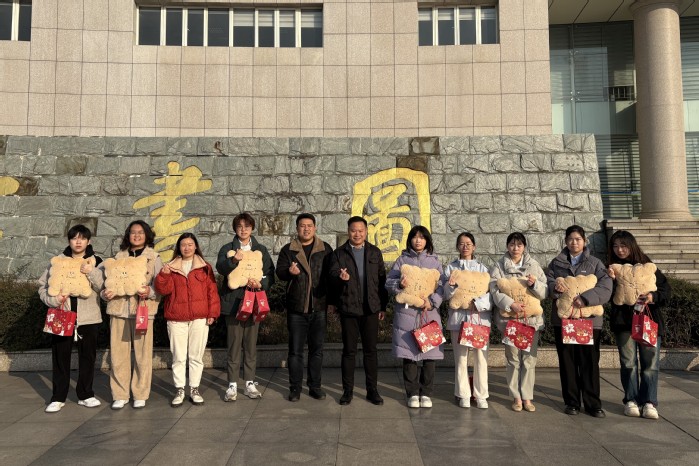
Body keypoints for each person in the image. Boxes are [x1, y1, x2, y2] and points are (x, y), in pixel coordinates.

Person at [547, 225, 612, 418]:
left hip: (589, 321)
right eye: (570, 239)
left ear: (585, 241)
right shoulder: (556, 263)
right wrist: (556, 288)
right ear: (565, 241)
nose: (574, 243)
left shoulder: (595, 263)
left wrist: (585, 299)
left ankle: (593, 404)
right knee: (567, 362)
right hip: (564, 321)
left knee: (589, 362)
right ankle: (572, 402)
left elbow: (606, 286)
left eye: (578, 239)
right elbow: (548, 282)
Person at [38, 225, 104, 413]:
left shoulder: (97, 261)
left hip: (88, 318)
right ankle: (58, 397)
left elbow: (105, 288)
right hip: (62, 315)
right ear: (69, 241)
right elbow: (42, 286)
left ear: (89, 241)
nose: (78, 241)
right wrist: (53, 300)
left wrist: (91, 271)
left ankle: (86, 394)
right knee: (60, 357)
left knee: (88, 357)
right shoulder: (57, 261)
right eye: (74, 238)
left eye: (82, 238)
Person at [607, 230, 671, 419]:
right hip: (624, 323)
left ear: (632, 245)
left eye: (623, 245)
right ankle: (631, 400)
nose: (619, 250)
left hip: (649, 321)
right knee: (628, 363)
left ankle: (649, 402)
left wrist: (653, 296)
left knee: (650, 363)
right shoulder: (611, 268)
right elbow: (606, 296)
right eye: (615, 246)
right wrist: (610, 280)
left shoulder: (647, 265)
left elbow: (666, 290)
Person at [327, 216, 388, 406]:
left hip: (370, 309)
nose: (357, 234)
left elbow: (382, 281)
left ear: (366, 231)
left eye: (361, 230)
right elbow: (331, 278)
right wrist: (340, 278)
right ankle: (347, 391)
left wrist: (383, 306)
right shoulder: (339, 253)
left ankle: (372, 390)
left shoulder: (375, 252)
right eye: (353, 230)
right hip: (349, 308)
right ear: (348, 232)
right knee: (349, 352)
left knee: (371, 351)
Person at [155, 233, 220, 407]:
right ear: (179, 247)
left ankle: (194, 389)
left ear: (195, 246)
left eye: (190, 244)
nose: (187, 248)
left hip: (199, 317)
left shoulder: (205, 267)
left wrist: (212, 313)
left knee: (196, 356)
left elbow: (212, 292)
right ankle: (179, 389)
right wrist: (164, 275)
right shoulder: (171, 266)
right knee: (178, 356)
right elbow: (163, 290)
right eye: (183, 244)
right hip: (176, 317)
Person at [103, 220, 163, 410]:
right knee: (118, 355)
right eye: (133, 232)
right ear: (128, 235)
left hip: (143, 310)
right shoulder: (118, 257)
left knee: (143, 355)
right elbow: (106, 282)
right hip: (118, 310)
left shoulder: (154, 257)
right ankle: (120, 394)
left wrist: (150, 292)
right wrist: (105, 293)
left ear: (147, 235)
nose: (136, 236)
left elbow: (161, 285)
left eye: (140, 232)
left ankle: (140, 393)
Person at [217, 212, 275, 401]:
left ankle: (250, 382)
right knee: (234, 345)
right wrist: (233, 260)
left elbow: (269, 273)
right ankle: (232, 384)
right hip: (233, 303)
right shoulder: (228, 248)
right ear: (235, 229)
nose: (243, 230)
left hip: (254, 302)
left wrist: (261, 284)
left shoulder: (260, 250)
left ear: (252, 228)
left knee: (250, 345)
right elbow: (220, 268)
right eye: (240, 226)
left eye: (247, 226)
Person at [276, 213, 334, 402]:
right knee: (295, 351)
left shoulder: (325, 249)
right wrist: (289, 272)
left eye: (309, 225)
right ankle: (295, 388)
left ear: (315, 228)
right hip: (297, 308)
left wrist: (332, 302)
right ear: (297, 228)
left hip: (319, 306)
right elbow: (279, 272)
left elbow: (331, 276)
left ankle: (315, 386)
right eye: (302, 226)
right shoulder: (288, 250)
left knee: (317, 350)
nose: (306, 229)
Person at [386, 225, 444, 409]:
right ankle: (412, 393)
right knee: (409, 355)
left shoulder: (435, 262)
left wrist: (432, 301)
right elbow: (389, 282)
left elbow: (442, 287)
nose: (418, 240)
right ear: (410, 240)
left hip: (428, 314)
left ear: (427, 241)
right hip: (407, 314)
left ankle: (426, 393)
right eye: (415, 237)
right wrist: (399, 285)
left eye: (422, 237)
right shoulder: (402, 260)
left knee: (429, 356)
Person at [490, 232, 547, 413]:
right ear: (507, 246)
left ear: (524, 247)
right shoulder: (499, 266)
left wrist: (534, 284)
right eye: (512, 244)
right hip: (511, 321)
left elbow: (545, 291)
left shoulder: (534, 265)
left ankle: (527, 397)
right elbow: (494, 290)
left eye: (519, 245)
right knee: (513, 359)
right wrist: (510, 304)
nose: (515, 248)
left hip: (531, 321)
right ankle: (516, 397)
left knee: (529, 359)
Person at [443, 232, 492, 409]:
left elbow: (491, 293)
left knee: (481, 358)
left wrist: (478, 303)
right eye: (462, 244)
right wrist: (450, 286)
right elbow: (445, 295)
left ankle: (481, 395)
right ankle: (463, 394)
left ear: (474, 247)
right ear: (457, 246)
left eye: (469, 243)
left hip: (479, 319)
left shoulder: (483, 269)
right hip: (458, 319)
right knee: (461, 358)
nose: (465, 247)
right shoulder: (450, 268)